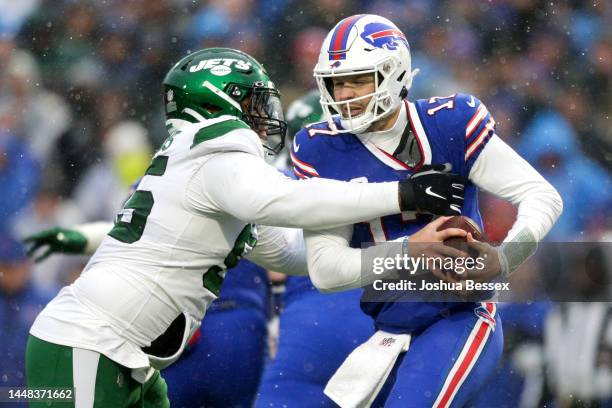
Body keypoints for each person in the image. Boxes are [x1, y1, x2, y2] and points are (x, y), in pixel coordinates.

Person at [25, 47, 466, 407]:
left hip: (123, 358)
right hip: (87, 344)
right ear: (218, 100)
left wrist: (407, 249)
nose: (265, 117)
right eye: (254, 102)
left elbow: (299, 259)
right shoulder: (216, 154)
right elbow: (292, 201)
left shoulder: (201, 164)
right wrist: (401, 194)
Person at [292, 15, 563, 407]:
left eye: (359, 79)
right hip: (388, 330)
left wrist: (506, 258)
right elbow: (326, 271)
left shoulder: (449, 124)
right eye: (337, 82)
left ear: (394, 72)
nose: (345, 93)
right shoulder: (320, 149)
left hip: (458, 315)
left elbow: (541, 194)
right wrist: (408, 250)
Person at [25, 223, 270, 408]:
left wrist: (84, 238)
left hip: (166, 330)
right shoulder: (261, 179)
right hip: (228, 324)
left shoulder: (172, 171)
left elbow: (135, 228)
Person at [256, 92, 374, 407]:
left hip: (309, 325)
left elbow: (274, 266)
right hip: (381, 324)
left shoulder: (279, 183)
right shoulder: (390, 175)